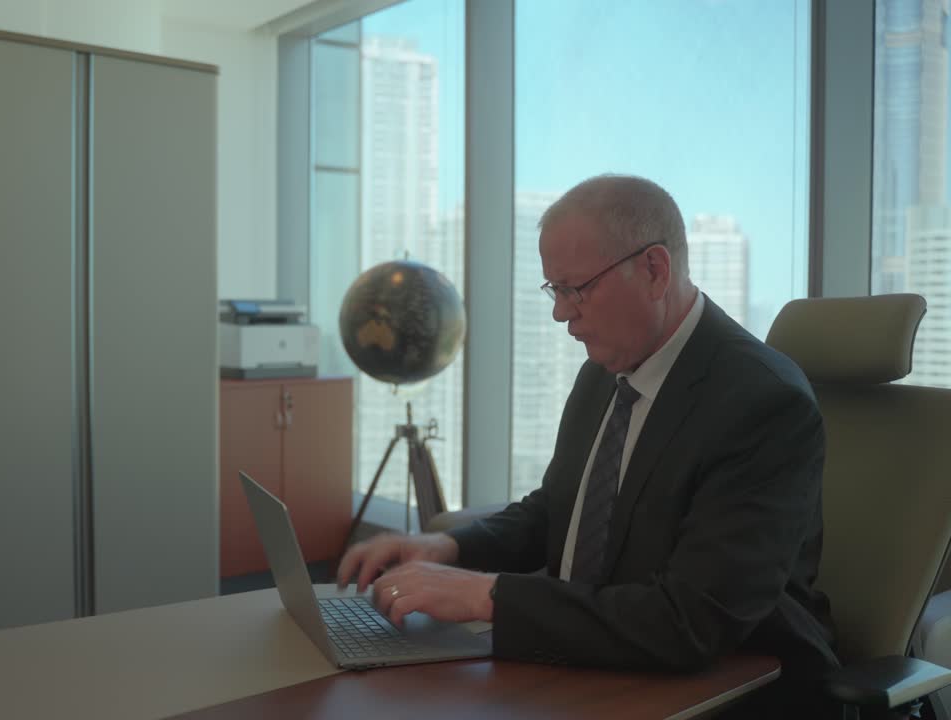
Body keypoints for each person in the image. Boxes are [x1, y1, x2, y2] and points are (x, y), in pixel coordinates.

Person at [337, 174, 839, 717]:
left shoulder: (762, 403)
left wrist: (485, 595)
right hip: (596, 664)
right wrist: (449, 549)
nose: (561, 313)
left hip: (734, 688)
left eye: (575, 288)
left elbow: (690, 622)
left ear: (654, 270)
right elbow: (557, 510)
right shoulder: (605, 372)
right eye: (554, 290)